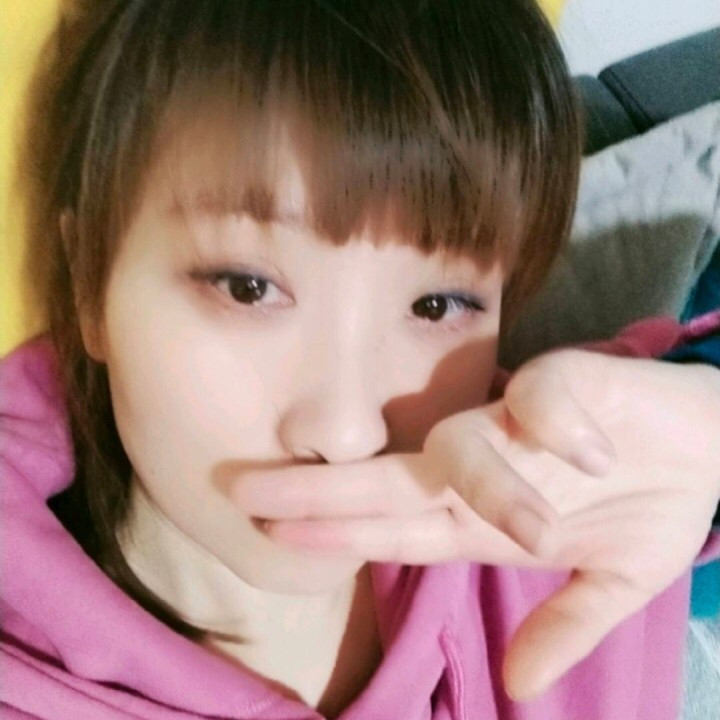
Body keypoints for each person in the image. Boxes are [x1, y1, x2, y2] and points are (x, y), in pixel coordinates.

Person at [1, 1, 718, 719]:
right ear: (90, 281)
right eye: (248, 288)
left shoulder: (578, 481)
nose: (347, 434)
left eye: (435, 305)